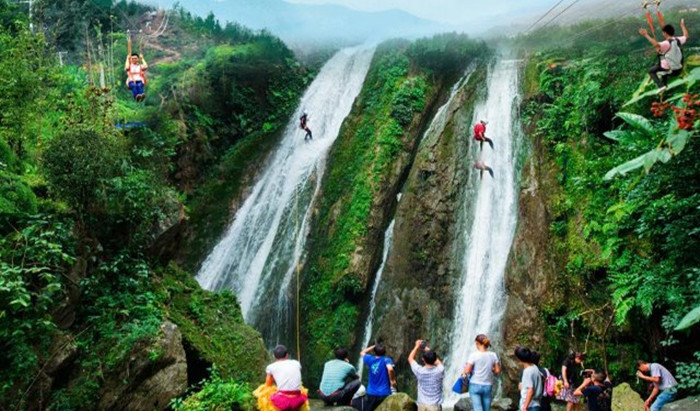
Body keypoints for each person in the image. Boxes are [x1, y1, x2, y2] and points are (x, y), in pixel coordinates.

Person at [639, 19, 689, 91]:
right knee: (662, 63)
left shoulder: (666, 43)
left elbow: (656, 44)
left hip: (671, 69)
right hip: (679, 68)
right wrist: (682, 25)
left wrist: (646, 35)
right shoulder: (678, 40)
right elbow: (686, 36)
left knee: (651, 71)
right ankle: (664, 85)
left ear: (665, 33)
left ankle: (661, 86)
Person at [260, 345, 308, 411]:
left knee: (264, 394)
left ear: (274, 356)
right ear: (287, 355)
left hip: (282, 402)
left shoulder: (270, 367)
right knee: (301, 388)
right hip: (298, 401)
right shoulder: (296, 363)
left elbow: (268, 384)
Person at [463, 334, 501, 411]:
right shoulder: (493, 355)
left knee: (478, 409)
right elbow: (497, 370)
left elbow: (467, 371)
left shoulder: (474, 355)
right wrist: (491, 368)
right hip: (488, 385)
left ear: (477, 343)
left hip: (475, 384)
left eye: (476, 344)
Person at [408, 339, 445, 411]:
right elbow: (438, 362)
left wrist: (417, 346)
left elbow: (410, 358)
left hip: (422, 406)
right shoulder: (440, 370)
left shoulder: (419, 371)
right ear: (434, 360)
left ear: (423, 359)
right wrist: (427, 350)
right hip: (435, 406)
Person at [361, 344, 397, 411]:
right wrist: (392, 380)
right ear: (385, 352)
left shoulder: (369, 359)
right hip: (384, 393)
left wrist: (373, 346)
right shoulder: (387, 360)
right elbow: (390, 369)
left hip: (371, 392)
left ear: (374, 352)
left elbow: (362, 352)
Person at [516, 347, 544, 411]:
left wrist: (525, 407)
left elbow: (530, 390)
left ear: (520, 359)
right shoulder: (534, 367)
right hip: (536, 404)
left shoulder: (527, 371)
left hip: (530, 406)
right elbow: (543, 378)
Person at [125, 35, 148, 102]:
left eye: (135, 58)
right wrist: (127, 58)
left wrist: (142, 58)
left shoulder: (140, 66)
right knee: (133, 85)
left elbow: (146, 66)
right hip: (131, 80)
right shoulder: (129, 65)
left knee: (139, 85)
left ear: (138, 59)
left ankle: (141, 95)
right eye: (132, 59)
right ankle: (136, 96)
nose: (134, 60)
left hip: (139, 80)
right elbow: (126, 68)